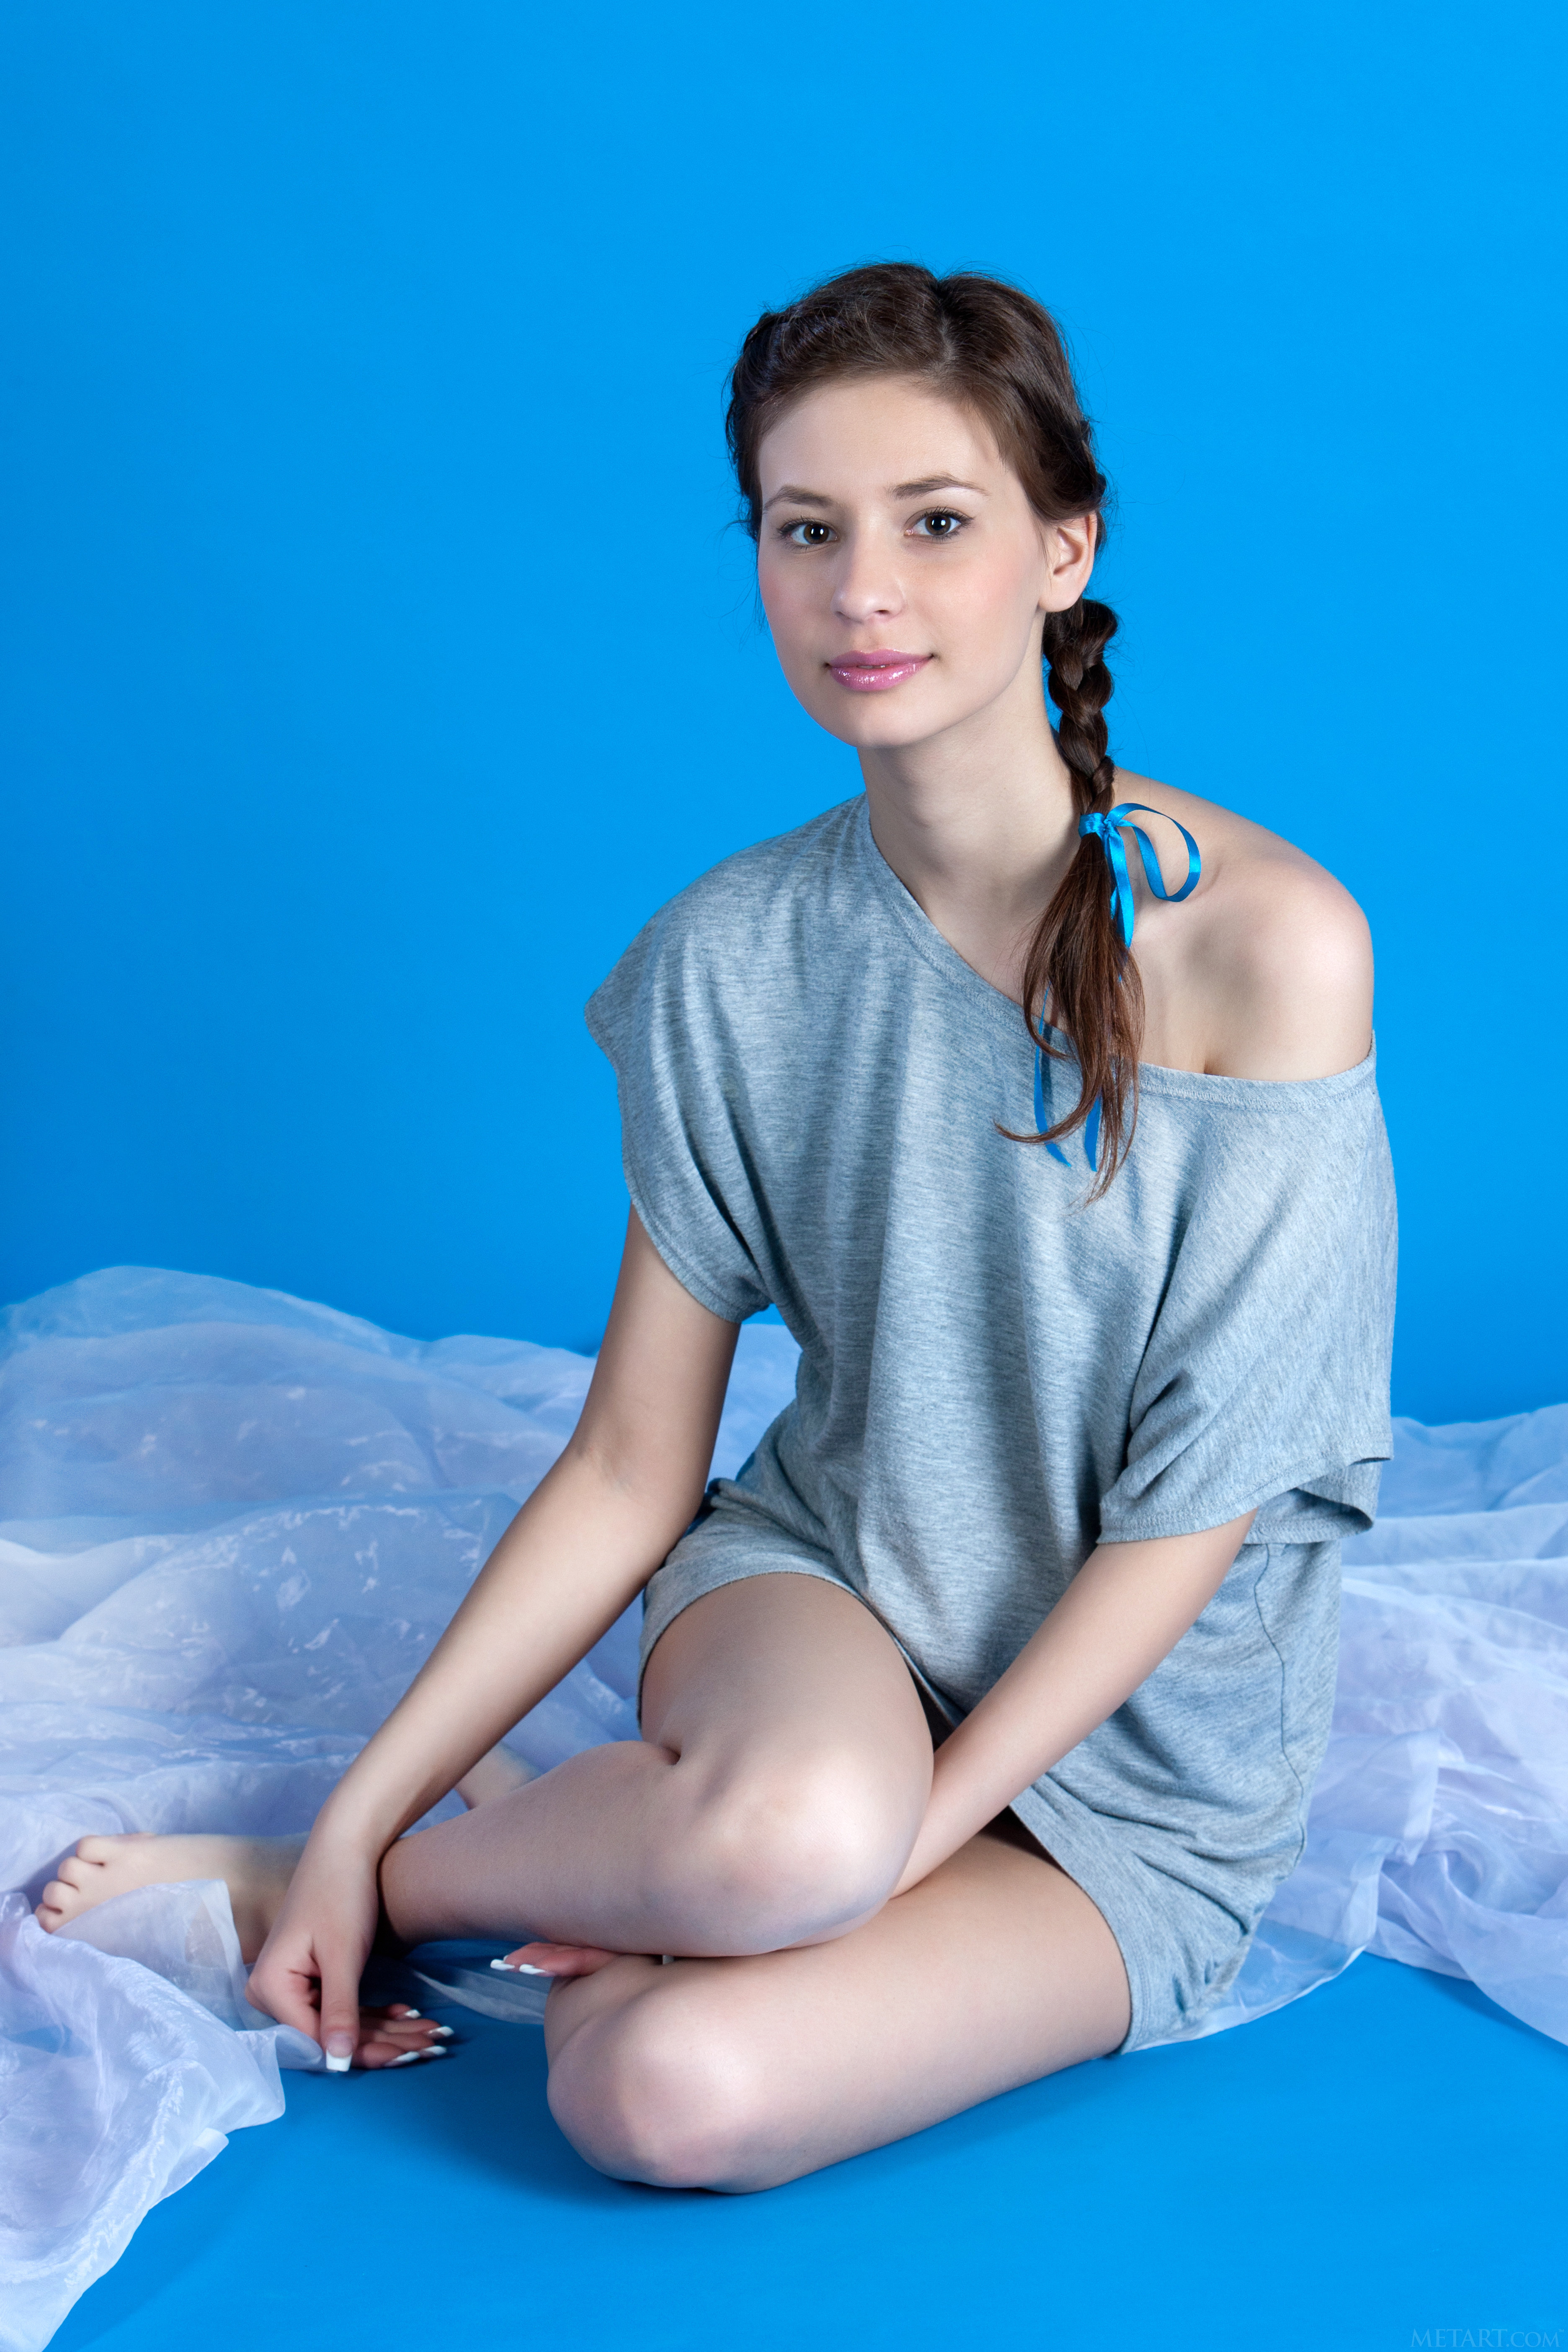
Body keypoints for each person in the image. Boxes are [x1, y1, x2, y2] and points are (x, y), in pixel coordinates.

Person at [37, 262, 1395, 2189]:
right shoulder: (727, 957)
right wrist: (353, 1813)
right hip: (823, 1602)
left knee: (660, 2099)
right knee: (787, 1845)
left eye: (937, 523)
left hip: (1141, 1774)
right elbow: (628, 1460)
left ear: (1063, 550)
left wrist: (870, 1867)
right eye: (805, 530)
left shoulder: (1268, 945)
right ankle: (409, 1868)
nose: (865, 592)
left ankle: (577, 1867)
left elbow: (1197, 1514)